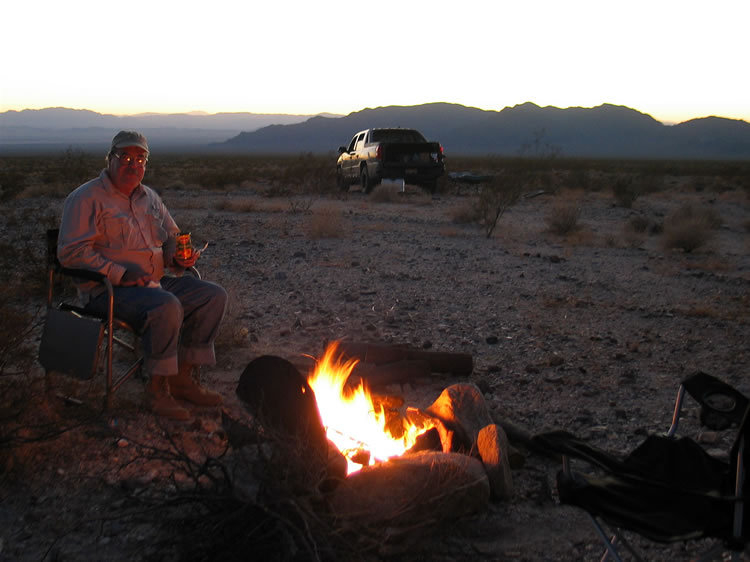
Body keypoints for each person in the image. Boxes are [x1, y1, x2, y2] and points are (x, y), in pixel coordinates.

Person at [57, 130, 228, 421]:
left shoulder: (149, 198)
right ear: (109, 159)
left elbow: (172, 236)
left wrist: (179, 256)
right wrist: (120, 272)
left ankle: (181, 378)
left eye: (140, 158)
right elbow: (71, 253)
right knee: (166, 305)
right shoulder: (86, 198)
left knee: (213, 296)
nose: (132, 164)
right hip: (108, 292)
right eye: (124, 156)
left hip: (155, 283)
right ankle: (157, 390)